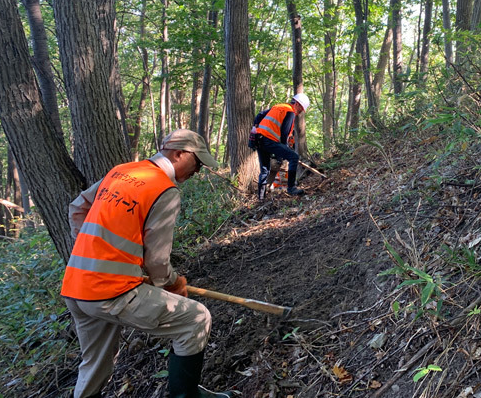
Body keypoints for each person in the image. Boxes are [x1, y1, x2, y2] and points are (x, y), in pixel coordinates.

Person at [61, 129, 234, 398]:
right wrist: (174, 284)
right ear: (179, 154)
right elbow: (157, 261)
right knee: (196, 319)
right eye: (197, 163)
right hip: (111, 292)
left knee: (94, 365)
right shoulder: (164, 189)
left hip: (76, 288)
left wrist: (96, 252)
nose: (198, 171)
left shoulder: (121, 171)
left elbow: (77, 207)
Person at [253, 93, 309, 200]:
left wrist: (255, 126)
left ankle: (261, 198)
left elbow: (260, 115)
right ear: (296, 104)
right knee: (294, 157)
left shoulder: (278, 106)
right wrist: (283, 153)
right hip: (269, 140)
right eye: (300, 109)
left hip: (259, 139)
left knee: (265, 169)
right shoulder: (290, 112)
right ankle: (291, 188)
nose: (299, 112)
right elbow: (284, 134)